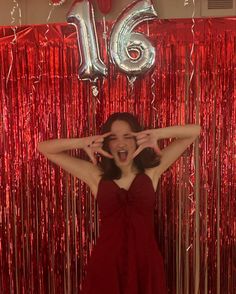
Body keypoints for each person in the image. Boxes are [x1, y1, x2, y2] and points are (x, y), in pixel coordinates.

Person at [37, 112, 201, 294]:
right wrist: (82, 143)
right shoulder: (95, 175)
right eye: (114, 138)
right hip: (107, 265)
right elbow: (44, 148)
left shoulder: (152, 171)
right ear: (107, 144)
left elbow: (195, 131)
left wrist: (155, 135)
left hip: (145, 265)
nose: (121, 143)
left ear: (138, 139)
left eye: (128, 136)